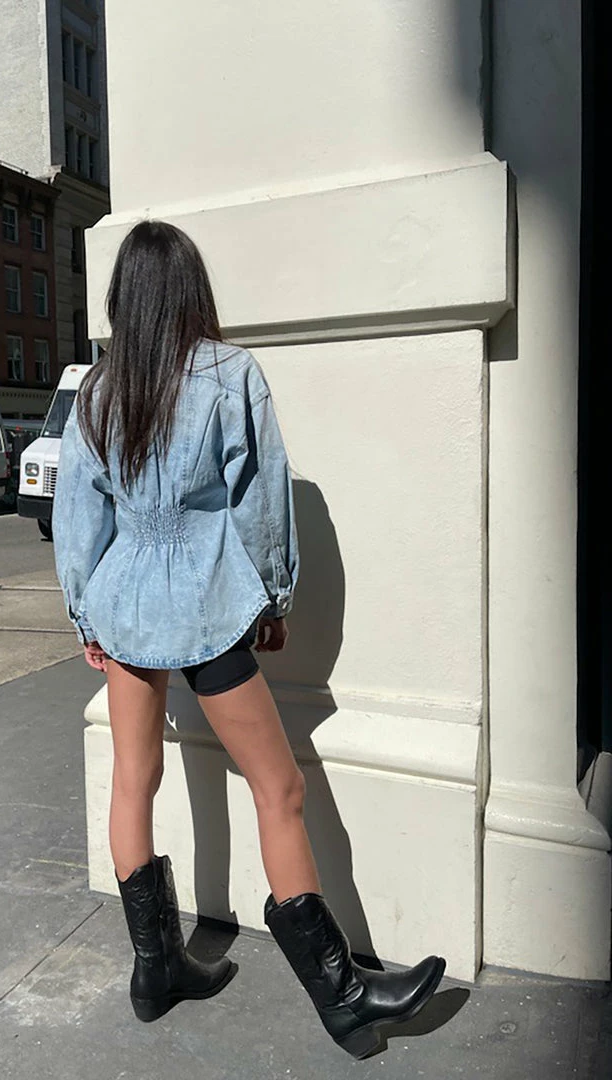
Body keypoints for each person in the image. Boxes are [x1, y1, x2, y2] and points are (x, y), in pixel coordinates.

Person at [52, 220, 445, 1059]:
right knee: (279, 788)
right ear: (190, 288)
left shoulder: (95, 391)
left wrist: (87, 613)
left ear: (123, 297)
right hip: (205, 607)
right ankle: (343, 997)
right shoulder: (230, 374)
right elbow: (261, 499)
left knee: (132, 782)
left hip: (125, 607)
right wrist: (270, 596)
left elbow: (78, 515)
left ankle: (156, 973)